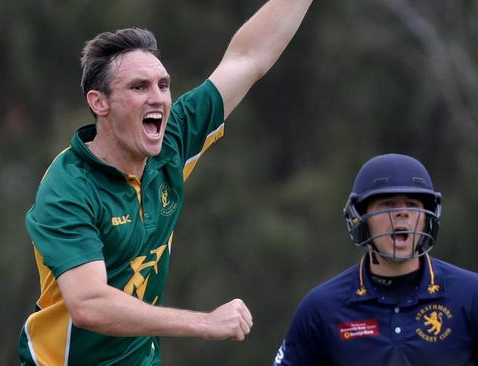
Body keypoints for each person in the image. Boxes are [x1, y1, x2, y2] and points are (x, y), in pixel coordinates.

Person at [17, 1, 313, 365]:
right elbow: (89, 304)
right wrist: (204, 322)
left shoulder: (169, 144)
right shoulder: (68, 187)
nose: (157, 97)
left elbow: (247, 58)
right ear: (99, 102)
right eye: (139, 87)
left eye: (163, 84)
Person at [272, 153, 478, 366]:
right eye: (387, 205)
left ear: (427, 216)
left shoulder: (472, 294)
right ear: (360, 218)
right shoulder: (321, 307)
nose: (402, 215)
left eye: (412, 204)